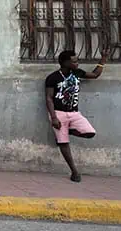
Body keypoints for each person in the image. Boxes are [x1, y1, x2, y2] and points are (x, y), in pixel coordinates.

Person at [45, 48, 108, 183]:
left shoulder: (77, 73)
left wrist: (103, 60)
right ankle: (74, 171)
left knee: (90, 132)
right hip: (59, 113)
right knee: (64, 143)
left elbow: (95, 75)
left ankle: (66, 131)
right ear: (66, 63)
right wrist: (54, 117)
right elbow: (49, 98)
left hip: (74, 113)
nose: (77, 63)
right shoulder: (53, 78)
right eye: (74, 61)